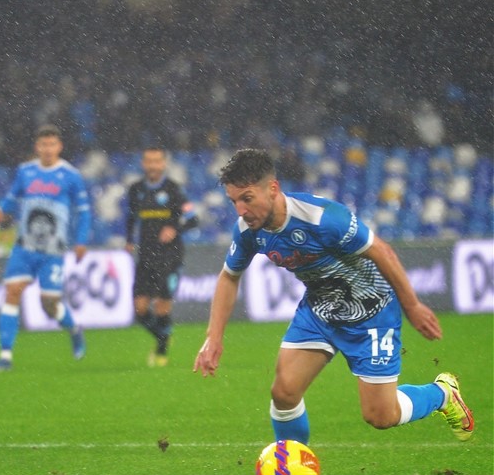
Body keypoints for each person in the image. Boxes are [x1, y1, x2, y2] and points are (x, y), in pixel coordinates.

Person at [193, 148, 473, 444]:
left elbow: (382, 251)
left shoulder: (323, 218)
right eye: (234, 201)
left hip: (372, 311)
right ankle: (291, 462)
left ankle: (442, 394)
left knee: (381, 415)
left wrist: (412, 305)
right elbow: (229, 276)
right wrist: (214, 337)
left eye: (247, 198)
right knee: (284, 392)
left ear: (272, 188)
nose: (240, 210)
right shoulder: (247, 231)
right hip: (320, 311)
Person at [0, 125, 91, 372]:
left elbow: (84, 212)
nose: (48, 149)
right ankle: (5, 355)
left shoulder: (70, 175)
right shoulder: (26, 171)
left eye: (52, 144)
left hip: (53, 250)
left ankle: (73, 329)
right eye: (44, 144)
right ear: (37, 147)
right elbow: (12, 198)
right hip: (25, 247)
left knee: (49, 305)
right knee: (12, 292)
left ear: (59, 147)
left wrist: (81, 241)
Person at [125, 147, 198, 367]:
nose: (153, 165)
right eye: (149, 161)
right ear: (143, 163)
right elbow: (131, 217)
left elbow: (193, 220)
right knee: (139, 309)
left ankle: (161, 351)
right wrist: (129, 240)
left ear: (164, 164)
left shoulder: (174, 190)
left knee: (161, 307)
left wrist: (175, 229)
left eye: (157, 161)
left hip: (169, 255)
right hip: (145, 255)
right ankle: (163, 335)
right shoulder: (136, 189)